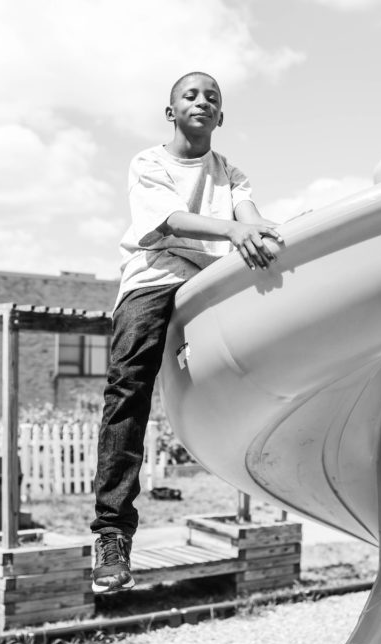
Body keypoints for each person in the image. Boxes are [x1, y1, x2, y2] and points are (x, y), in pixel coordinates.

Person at [90, 71, 282, 594]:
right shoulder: (149, 163)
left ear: (221, 117)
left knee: (256, 364)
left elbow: (250, 216)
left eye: (212, 98)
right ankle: (111, 534)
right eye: (190, 95)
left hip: (209, 286)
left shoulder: (231, 173)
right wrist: (233, 231)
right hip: (153, 282)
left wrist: (265, 230)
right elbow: (171, 221)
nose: (202, 100)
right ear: (171, 111)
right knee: (128, 388)